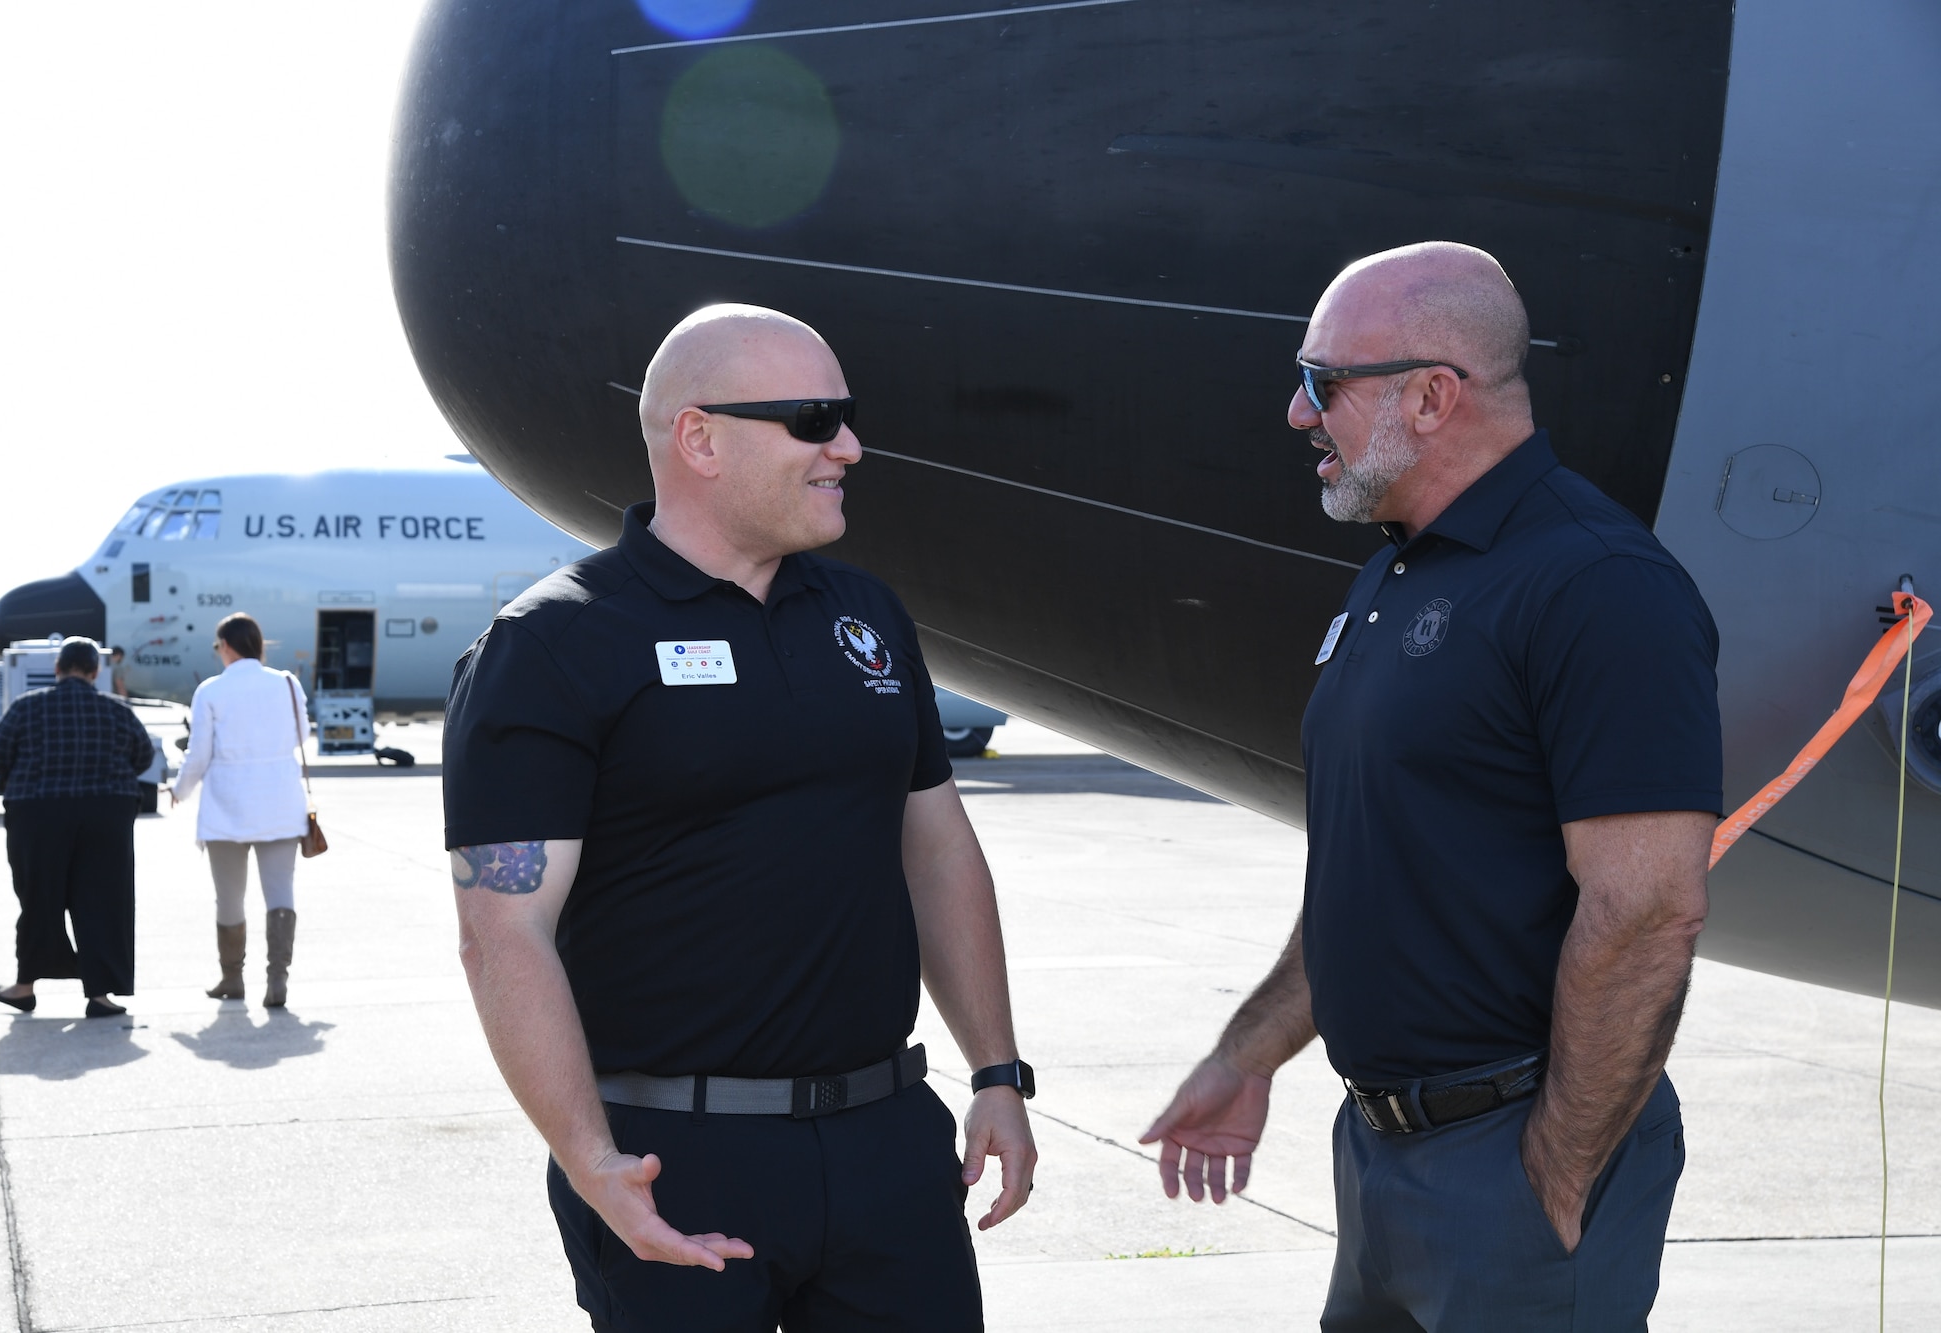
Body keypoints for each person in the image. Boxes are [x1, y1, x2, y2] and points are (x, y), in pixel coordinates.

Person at [1142, 243, 1721, 1331]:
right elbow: (1383, 871)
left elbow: (1646, 910)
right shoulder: (1399, 570)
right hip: (1380, 1160)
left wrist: (1555, 1177)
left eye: (1321, 382)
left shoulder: (1598, 586)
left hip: (1517, 1159)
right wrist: (1248, 1052)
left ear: (1429, 395)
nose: (1294, 413)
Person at [443, 304, 1037, 1332]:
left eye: (845, 416)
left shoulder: (865, 615)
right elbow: (502, 927)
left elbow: (935, 845)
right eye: (812, 419)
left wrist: (996, 1071)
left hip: (886, 1143)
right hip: (675, 1158)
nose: (846, 446)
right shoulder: (554, 642)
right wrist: (591, 1162)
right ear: (699, 438)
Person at [0, 637, 154, 1018]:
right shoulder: (118, 711)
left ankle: (24, 986)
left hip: (37, 813)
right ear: (95, 673)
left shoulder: (26, 707)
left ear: (58, 669)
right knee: (104, 902)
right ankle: (99, 995)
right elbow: (143, 756)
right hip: (107, 814)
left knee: (38, 898)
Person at [169, 613, 312, 1007]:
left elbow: (198, 755)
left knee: (229, 898)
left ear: (226, 646)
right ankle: (277, 980)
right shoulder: (286, 683)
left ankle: (232, 978)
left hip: (226, 808)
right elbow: (302, 735)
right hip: (281, 803)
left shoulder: (211, 691)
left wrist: (180, 789)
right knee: (280, 893)